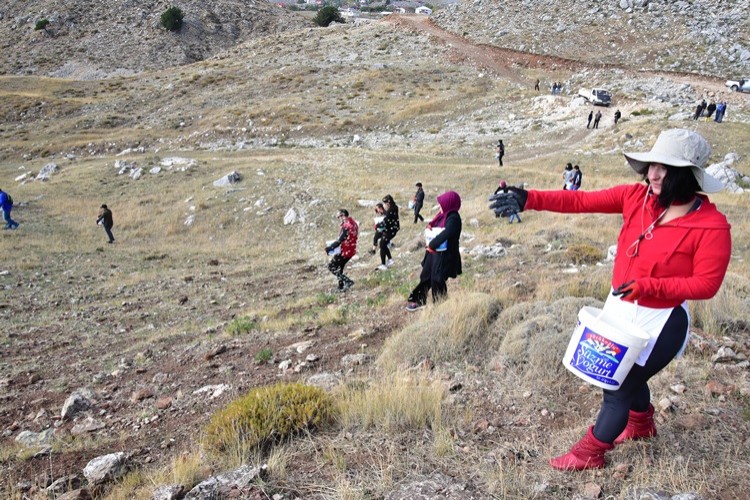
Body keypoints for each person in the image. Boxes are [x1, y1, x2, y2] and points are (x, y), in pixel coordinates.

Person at [493, 129, 731, 471]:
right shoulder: (636, 198)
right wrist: (528, 198)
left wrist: (650, 287)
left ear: (688, 175)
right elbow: (580, 201)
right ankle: (641, 425)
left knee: (618, 385)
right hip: (622, 307)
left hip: (662, 320)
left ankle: (590, 452)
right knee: (626, 376)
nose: (652, 174)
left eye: (665, 168)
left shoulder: (711, 226)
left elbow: (706, 284)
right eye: (651, 166)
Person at [406, 191, 462, 311]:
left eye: (442, 203)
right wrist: (430, 227)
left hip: (444, 255)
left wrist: (432, 244)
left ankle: (441, 306)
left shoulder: (454, 218)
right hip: (433, 253)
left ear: (449, 203)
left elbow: (446, 233)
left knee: (437, 279)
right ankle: (419, 300)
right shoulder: (442, 215)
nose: (440, 206)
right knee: (425, 276)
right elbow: (437, 227)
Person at [325, 209, 359, 292]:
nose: (338, 219)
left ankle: (348, 281)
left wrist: (330, 248)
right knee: (339, 268)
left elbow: (340, 240)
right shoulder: (353, 223)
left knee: (331, 266)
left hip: (345, 251)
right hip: (351, 249)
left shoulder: (347, 226)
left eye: (339, 217)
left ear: (343, 215)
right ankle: (341, 286)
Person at [376, 195, 400, 270]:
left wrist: (377, 225)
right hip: (392, 229)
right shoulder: (394, 208)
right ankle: (390, 259)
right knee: (383, 244)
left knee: (382, 244)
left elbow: (386, 221)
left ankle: (383, 264)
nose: (384, 205)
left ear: (388, 203)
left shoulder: (391, 210)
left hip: (391, 230)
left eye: (385, 203)